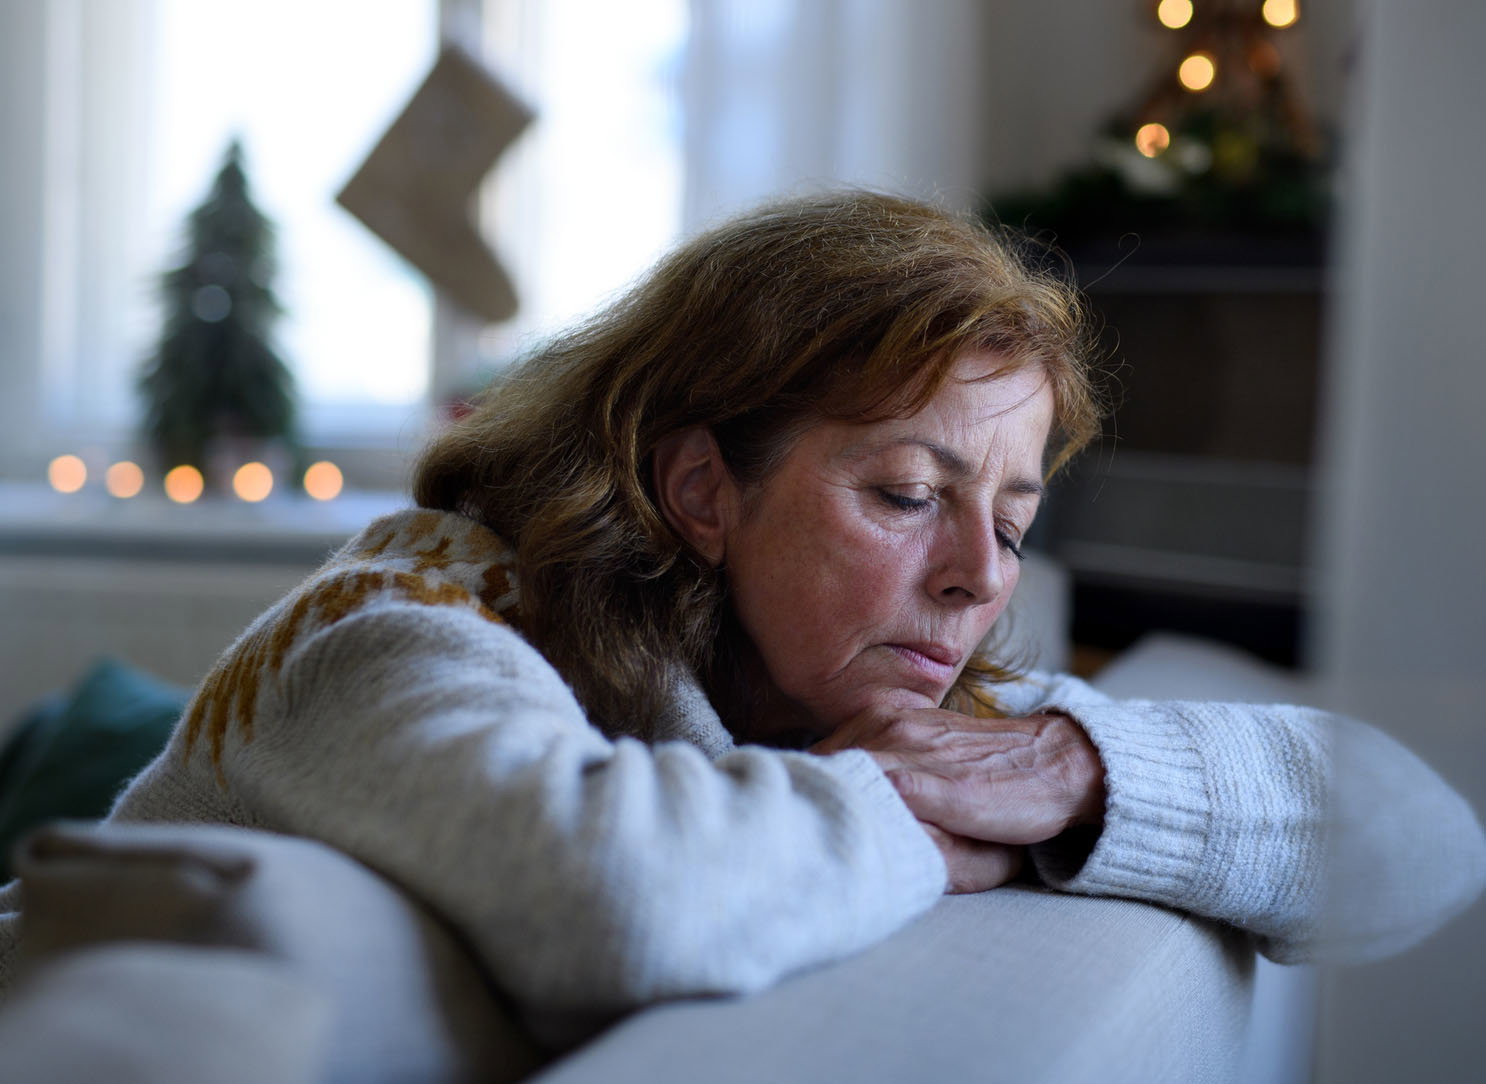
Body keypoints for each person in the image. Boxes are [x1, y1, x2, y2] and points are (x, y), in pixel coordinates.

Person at [0, 190, 1482, 1041]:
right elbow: (622, 898)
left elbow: (1426, 844)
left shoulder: (857, 694)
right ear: (701, 489)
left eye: (1014, 521)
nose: (978, 574)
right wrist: (908, 810)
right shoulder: (399, 625)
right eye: (908, 493)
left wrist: (1090, 778)